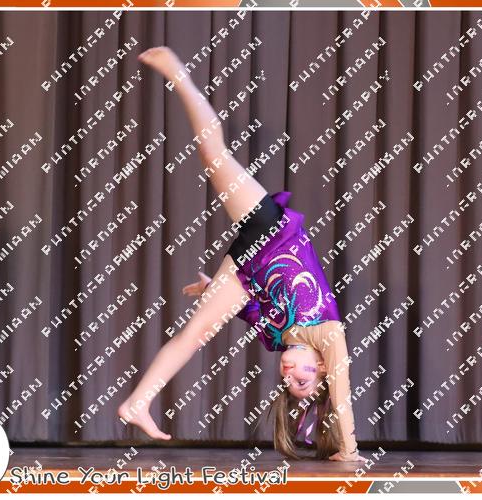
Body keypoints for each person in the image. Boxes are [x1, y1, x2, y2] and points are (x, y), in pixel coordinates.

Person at [116, 47, 364, 462]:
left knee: (195, 334)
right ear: (322, 368)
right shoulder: (328, 335)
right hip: (273, 233)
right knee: (214, 155)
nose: (289, 375)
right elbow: (342, 394)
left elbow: (252, 307)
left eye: (287, 383)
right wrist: (348, 450)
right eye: (302, 381)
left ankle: (137, 402)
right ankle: (178, 74)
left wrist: (211, 289)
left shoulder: (276, 337)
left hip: (246, 272)